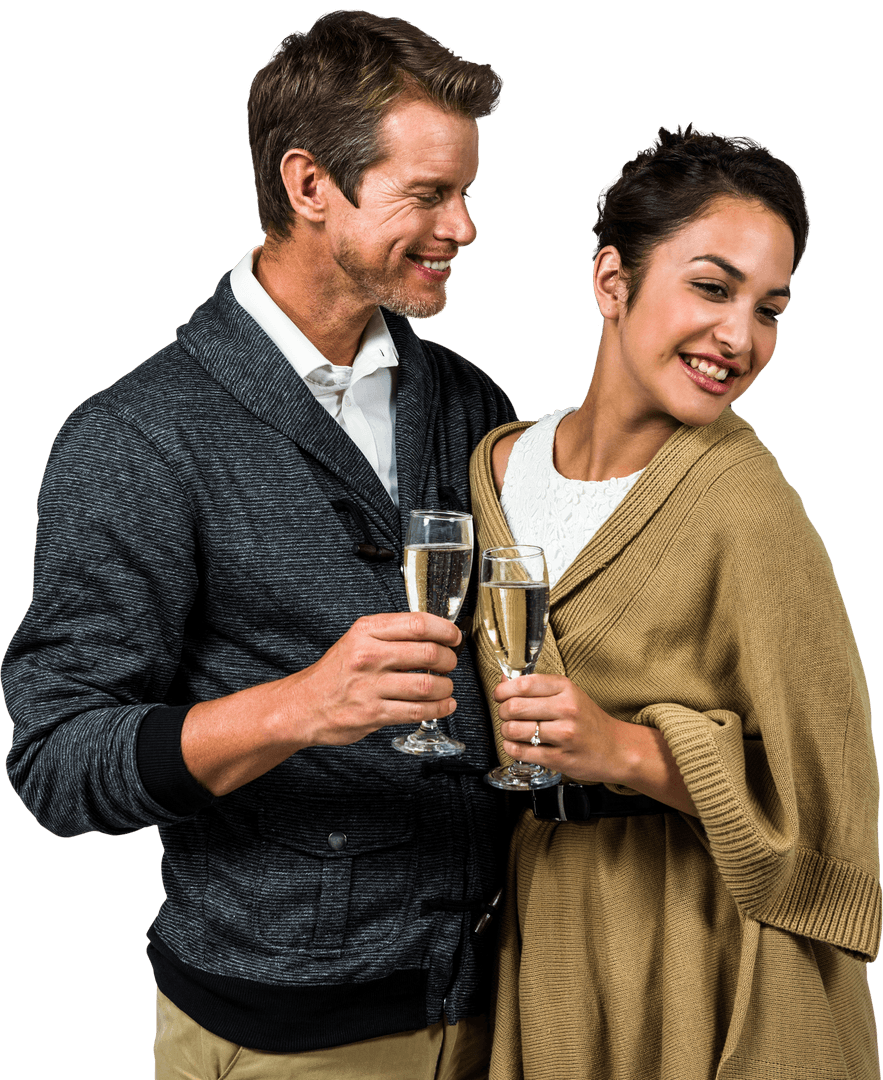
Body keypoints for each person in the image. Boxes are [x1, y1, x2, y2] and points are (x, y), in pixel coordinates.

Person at [3, 11, 516, 1078]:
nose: (463, 226)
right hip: (286, 1038)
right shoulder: (138, 435)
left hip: (497, 1006)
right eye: (428, 194)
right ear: (309, 183)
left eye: (465, 191)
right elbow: (55, 759)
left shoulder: (468, 402)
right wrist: (301, 706)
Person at [469, 125, 880, 1079]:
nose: (740, 337)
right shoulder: (492, 470)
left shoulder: (744, 499)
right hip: (550, 932)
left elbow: (828, 796)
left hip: (707, 947)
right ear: (611, 281)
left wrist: (623, 751)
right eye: (711, 287)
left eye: (769, 308)